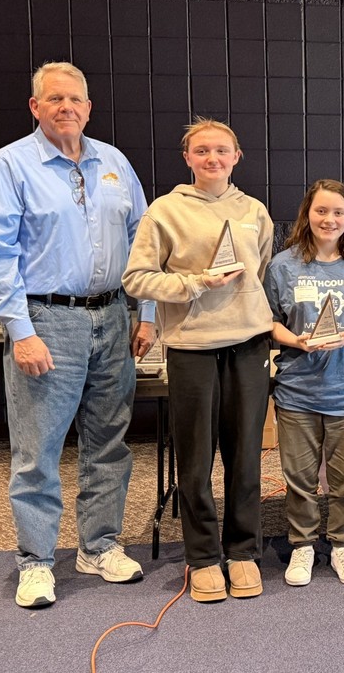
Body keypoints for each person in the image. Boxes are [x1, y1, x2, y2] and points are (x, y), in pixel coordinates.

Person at [0, 61, 154, 608]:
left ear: (88, 106)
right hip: (47, 321)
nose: (66, 108)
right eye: (54, 99)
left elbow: (143, 240)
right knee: (39, 450)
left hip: (114, 318)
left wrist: (145, 313)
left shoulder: (115, 163)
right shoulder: (11, 165)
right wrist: (20, 330)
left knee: (109, 443)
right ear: (35, 107)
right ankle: (36, 561)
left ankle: (98, 546)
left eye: (75, 99)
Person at [122, 118, 273, 602]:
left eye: (222, 151)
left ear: (236, 156)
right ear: (187, 158)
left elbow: (260, 267)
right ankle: (203, 556)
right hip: (191, 348)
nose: (212, 159)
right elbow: (137, 279)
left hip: (248, 345)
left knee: (246, 456)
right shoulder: (164, 211)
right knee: (195, 458)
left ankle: (243, 550)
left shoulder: (254, 211)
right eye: (202, 151)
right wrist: (193, 285)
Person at [263, 179, 344, 587]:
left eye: (338, 212)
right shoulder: (283, 265)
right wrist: (295, 339)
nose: (329, 219)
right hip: (298, 389)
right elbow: (269, 323)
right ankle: (301, 545)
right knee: (299, 477)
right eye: (321, 211)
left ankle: (342, 545)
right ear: (307, 214)